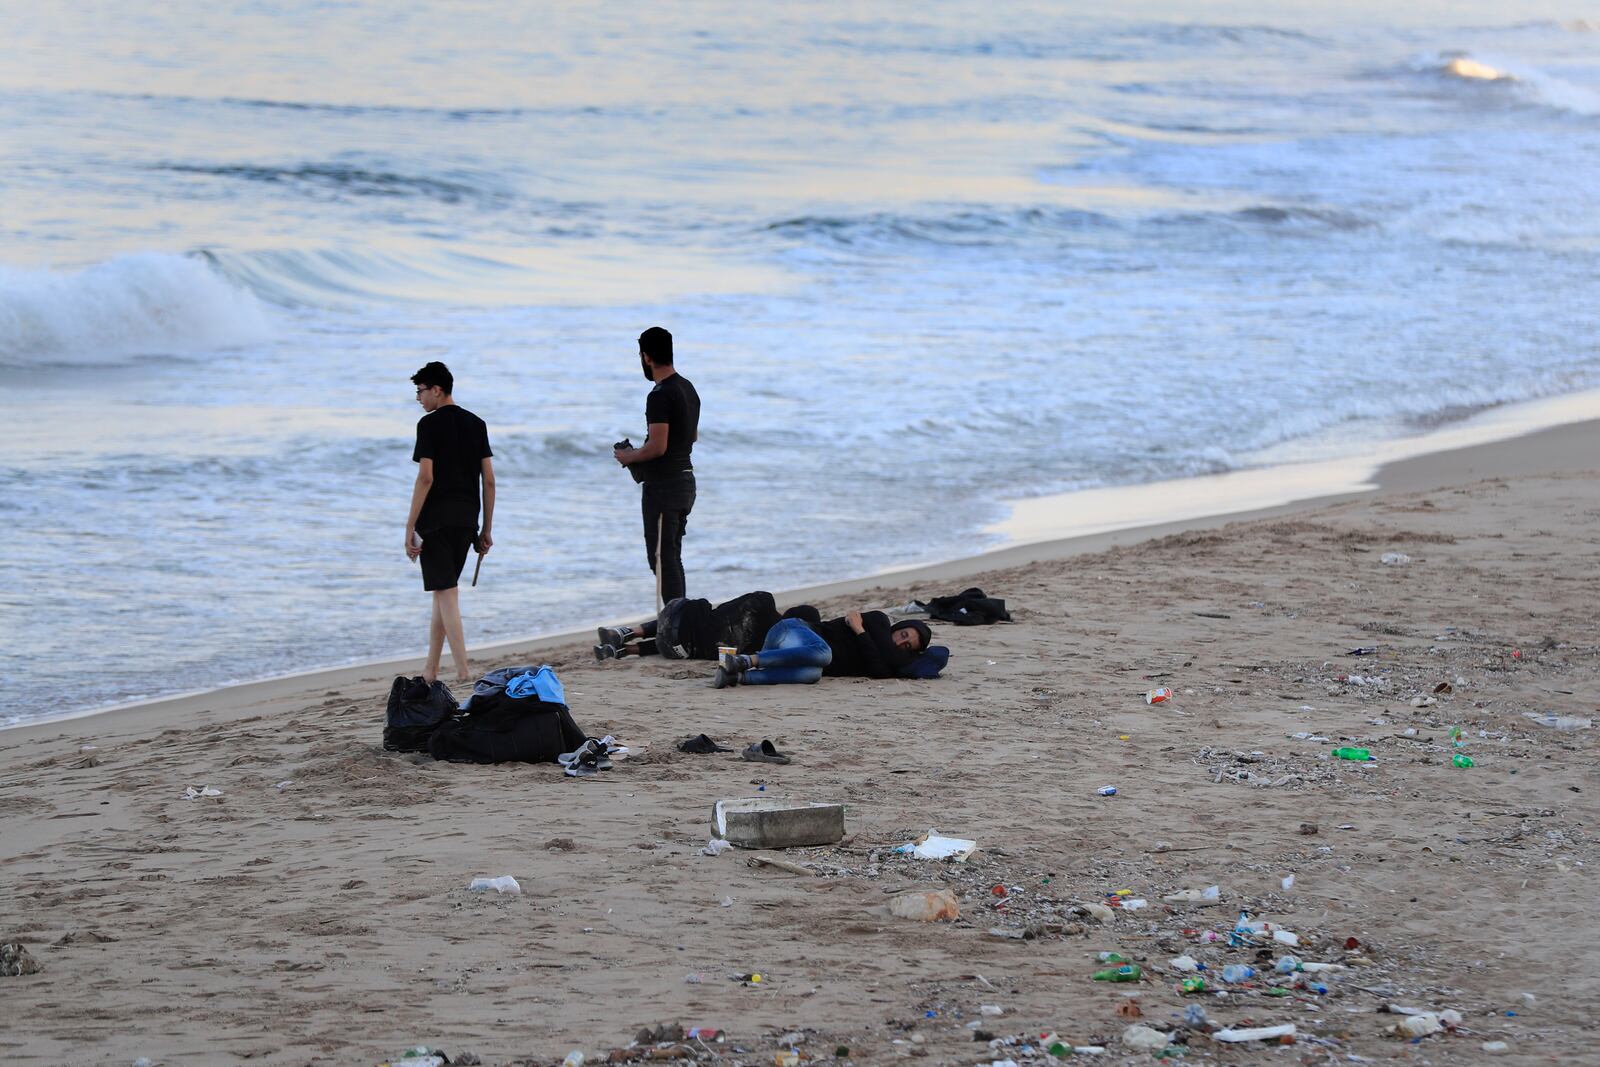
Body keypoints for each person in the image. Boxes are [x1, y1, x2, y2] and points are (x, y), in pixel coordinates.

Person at [405, 361, 494, 684]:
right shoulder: (477, 423)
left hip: (435, 522)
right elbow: (490, 481)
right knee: (442, 594)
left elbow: (425, 478)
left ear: (437, 390)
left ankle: (462, 671)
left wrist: (409, 526)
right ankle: (430, 669)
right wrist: (486, 527)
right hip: (467, 520)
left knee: (447, 594)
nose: (418, 398)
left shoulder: (428, 425)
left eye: (420, 391)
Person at [613, 326, 699, 607]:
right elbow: (691, 436)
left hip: (665, 486)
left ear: (646, 357)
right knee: (671, 555)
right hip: (685, 481)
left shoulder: (659, 394)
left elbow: (658, 446)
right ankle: (681, 615)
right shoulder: (687, 388)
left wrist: (629, 456)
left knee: (661, 558)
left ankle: (677, 620)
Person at [713, 610, 933, 687]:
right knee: (824, 653)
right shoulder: (878, 620)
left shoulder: (880, 655)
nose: (900, 644)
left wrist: (859, 632)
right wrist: (864, 631)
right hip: (791, 629)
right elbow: (887, 658)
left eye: (907, 646)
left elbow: (880, 672)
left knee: (813, 673)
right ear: (899, 627)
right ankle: (745, 661)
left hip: (788, 657)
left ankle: (737, 677)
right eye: (903, 635)